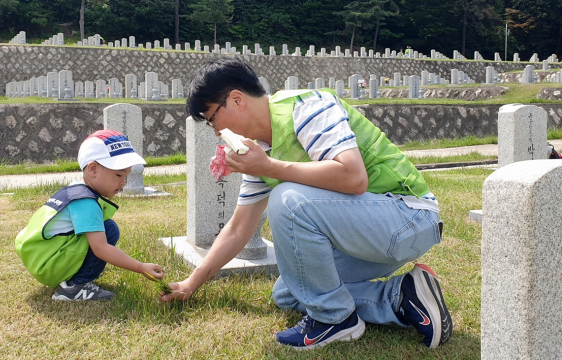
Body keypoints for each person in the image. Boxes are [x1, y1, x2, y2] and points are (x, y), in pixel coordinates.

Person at [161, 58, 452, 350]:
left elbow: (354, 178)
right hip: (374, 233)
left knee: (287, 200)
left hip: (408, 218)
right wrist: (192, 282)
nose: (214, 130)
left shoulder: (307, 107)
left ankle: (334, 320)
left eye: (212, 118)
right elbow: (238, 228)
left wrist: (270, 167)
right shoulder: (260, 150)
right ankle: (403, 296)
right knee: (292, 291)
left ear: (236, 100)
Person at [15, 129, 164, 301]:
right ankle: (75, 286)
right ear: (93, 169)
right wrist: (141, 267)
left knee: (104, 228)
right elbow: (101, 248)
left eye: (126, 176)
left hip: (41, 258)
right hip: (49, 265)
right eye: (118, 175)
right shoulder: (86, 202)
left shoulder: (75, 189)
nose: (123, 182)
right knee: (109, 230)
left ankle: (77, 276)